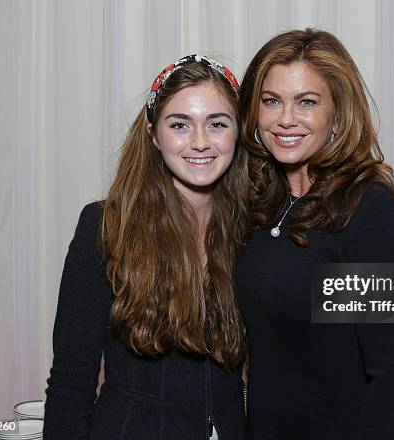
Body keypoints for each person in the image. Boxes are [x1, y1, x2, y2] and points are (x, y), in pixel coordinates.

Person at [43, 54, 249, 440]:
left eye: (217, 124)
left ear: (238, 132)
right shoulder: (107, 227)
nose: (200, 142)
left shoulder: (252, 232)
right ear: (154, 135)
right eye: (180, 125)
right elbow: (71, 380)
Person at [234, 29, 394, 439]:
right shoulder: (260, 207)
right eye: (271, 101)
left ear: (337, 114)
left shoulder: (370, 213)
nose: (286, 118)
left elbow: (391, 378)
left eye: (307, 102)